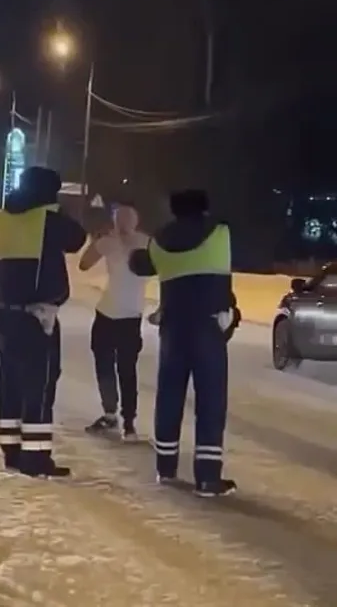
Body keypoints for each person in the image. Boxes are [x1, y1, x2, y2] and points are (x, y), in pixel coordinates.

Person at [129, 189, 240, 498]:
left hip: (173, 327)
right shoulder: (220, 231)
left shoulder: (159, 240)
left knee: (169, 396)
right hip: (209, 325)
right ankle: (207, 478)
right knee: (210, 401)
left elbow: (141, 265)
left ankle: (166, 467)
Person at [0, 166, 86, 478]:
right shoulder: (48, 219)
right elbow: (77, 239)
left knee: (11, 383)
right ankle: (35, 457)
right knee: (39, 385)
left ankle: (12, 451)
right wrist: (60, 209)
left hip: (5, 313)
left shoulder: (3, 217)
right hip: (38, 316)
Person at [79, 203, 149, 441]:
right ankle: (111, 415)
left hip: (130, 316)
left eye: (126, 220)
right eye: (119, 220)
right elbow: (84, 264)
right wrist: (97, 241)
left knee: (126, 369)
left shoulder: (146, 243)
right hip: (107, 313)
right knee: (106, 364)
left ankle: (128, 421)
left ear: (135, 222)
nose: (123, 224)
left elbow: (162, 269)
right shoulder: (110, 242)